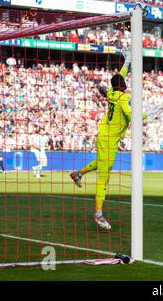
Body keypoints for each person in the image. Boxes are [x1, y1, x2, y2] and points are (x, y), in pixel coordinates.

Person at [70, 49, 133, 230]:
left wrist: (127, 60)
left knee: (100, 163)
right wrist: (147, 116)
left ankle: (78, 174)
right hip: (109, 139)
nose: (125, 82)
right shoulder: (123, 97)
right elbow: (133, 115)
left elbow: (120, 75)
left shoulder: (113, 91)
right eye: (124, 81)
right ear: (122, 86)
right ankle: (98, 214)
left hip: (105, 136)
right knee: (104, 178)